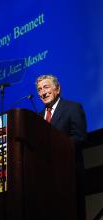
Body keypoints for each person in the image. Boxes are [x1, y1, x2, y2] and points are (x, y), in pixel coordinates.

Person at [35, 74, 87, 220]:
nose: (42, 92)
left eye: (46, 87)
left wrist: (56, 146)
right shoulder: (37, 118)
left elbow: (80, 137)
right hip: (45, 182)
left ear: (57, 89)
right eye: (39, 90)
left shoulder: (72, 108)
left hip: (69, 176)